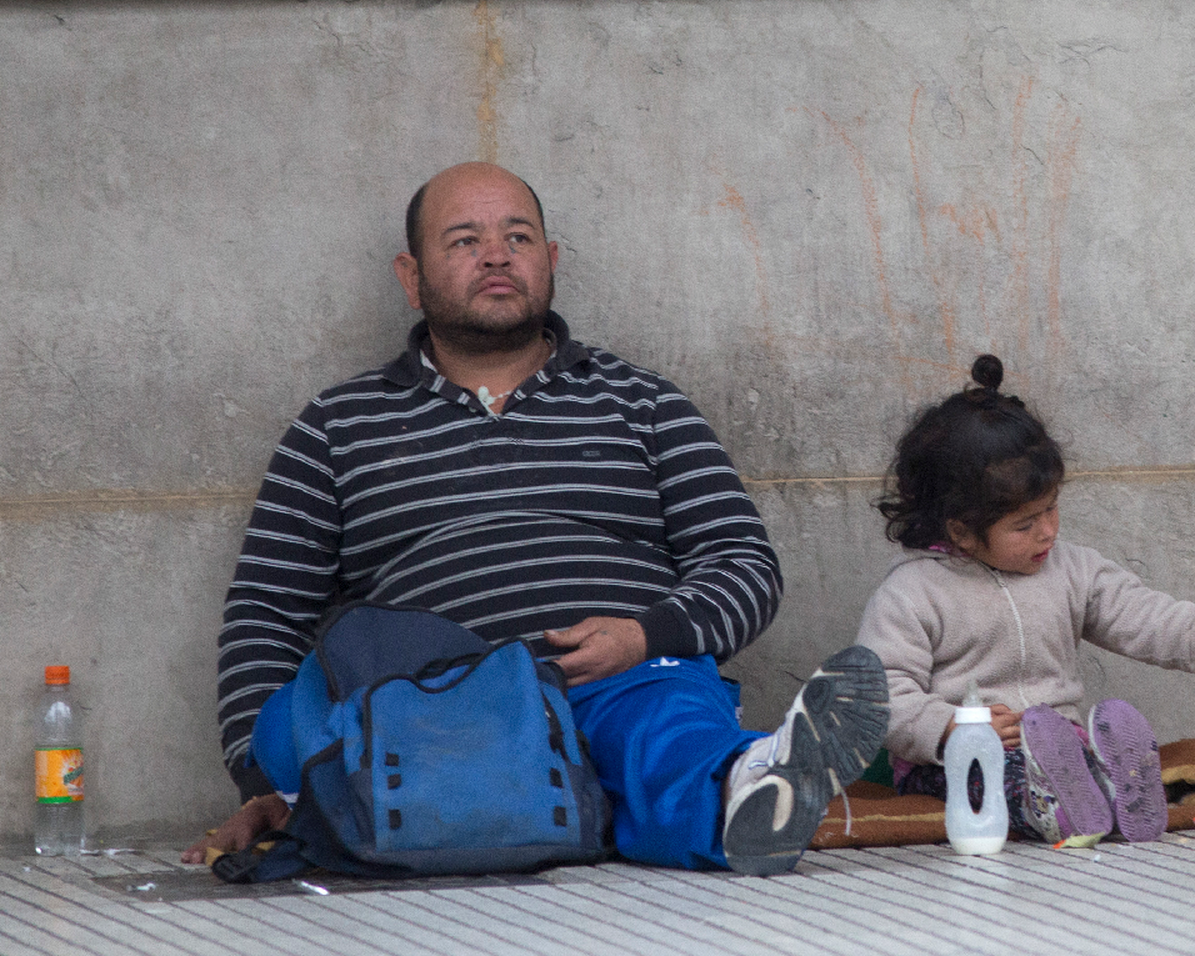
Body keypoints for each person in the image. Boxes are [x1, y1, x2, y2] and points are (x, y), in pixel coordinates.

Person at [183, 162, 888, 875]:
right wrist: (264, 783)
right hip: (434, 713)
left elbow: (744, 562)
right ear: (411, 274)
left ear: (548, 262)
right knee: (299, 723)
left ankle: (751, 786)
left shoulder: (645, 404)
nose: (496, 254)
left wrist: (646, 635)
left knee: (666, 729)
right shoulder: (338, 425)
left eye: (517, 236)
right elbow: (266, 611)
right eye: (463, 240)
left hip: (619, 682)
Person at [855, 353, 1195, 843]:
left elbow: (1141, 616)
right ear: (962, 531)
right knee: (998, 778)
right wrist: (952, 726)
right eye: (1024, 524)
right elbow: (880, 694)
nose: (1047, 532)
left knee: (1088, 757)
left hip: (1061, 747)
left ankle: (1111, 796)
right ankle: (1061, 804)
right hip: (958, 756)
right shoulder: (913, 591)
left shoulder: (1072, 569)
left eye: (1051, 509)